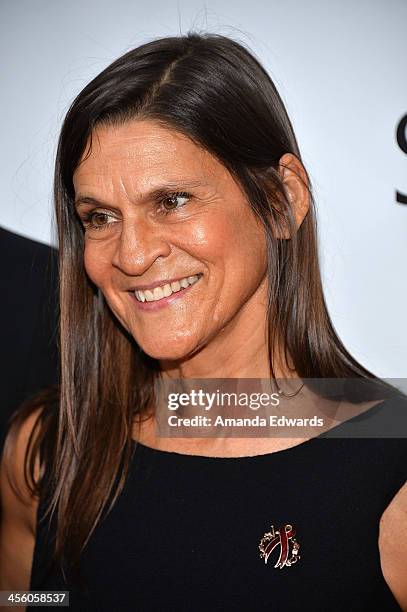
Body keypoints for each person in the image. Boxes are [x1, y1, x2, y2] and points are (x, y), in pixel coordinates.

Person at [0, 32, 406, 611]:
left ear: (282, 199)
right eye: (101, 216)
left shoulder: (393, 473)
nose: (133, 255)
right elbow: (25, 600)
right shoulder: (45, 452)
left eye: (172, 201)